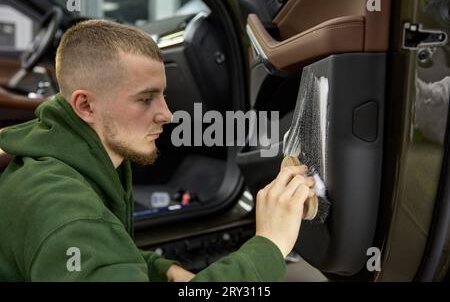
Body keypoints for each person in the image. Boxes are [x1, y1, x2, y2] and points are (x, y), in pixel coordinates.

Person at [0, 19, 315, 281]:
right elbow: (84, 235)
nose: (167, 114)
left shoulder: (75, 159)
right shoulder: (67, 215)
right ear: (85, 105)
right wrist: (269, 244)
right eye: (145, 98)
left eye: (162, 94)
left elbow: (105, 253)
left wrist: (159, 270)